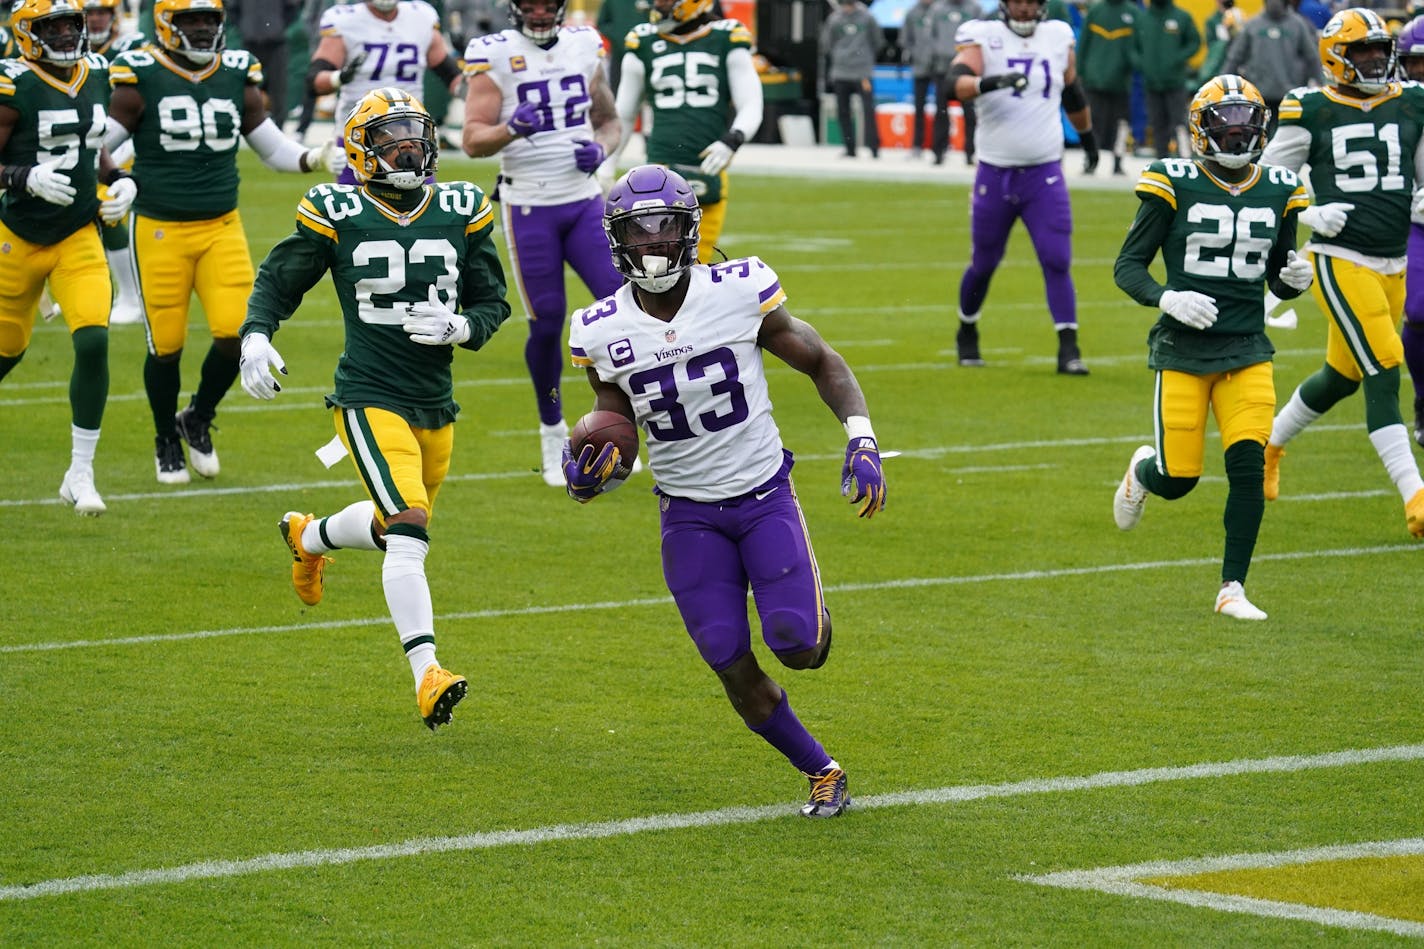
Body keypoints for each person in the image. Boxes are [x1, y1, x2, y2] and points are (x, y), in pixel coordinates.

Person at [563, 164, 886, 818]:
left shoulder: (740, 289)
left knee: (798, 643)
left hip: (763, 494)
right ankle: (822, 769)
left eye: (666, 230)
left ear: (690, 231)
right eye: (639, 233)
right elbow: (613, 424)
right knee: (728, 660)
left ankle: (806, 612)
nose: (654, 244)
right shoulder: (598, 329)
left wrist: (861, 436)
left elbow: (822, 359)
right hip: (687, 515)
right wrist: (592, 472)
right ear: (618, 240)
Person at [239, 87, 511, 730]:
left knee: (396, 526)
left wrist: (461, 328)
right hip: (367, 395)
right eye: (391, 141)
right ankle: (427, 673)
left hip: (435, 401)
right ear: (363, 154)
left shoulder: (462, 206)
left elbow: (492, 303)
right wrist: (255, 334)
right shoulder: (337, 208)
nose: (409, 150)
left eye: (415, 137)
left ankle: (306, 536)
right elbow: (281, 279)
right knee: (411, 525)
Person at [106, 0, 346, 485]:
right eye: (190, 20)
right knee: (166, 345)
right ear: (167, 25)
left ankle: (196, 415)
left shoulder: (236, 72)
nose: (200, 28)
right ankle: (164, 436)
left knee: (236, 334)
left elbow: (273, 149)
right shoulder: (140, 73)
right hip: (159, 228)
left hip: (221, 226)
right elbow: (95, 145)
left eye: (208, 20)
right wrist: (116, 181)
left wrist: (314, 157)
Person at [1113, 75, 1313, 621]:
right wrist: (1166, 297)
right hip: (1182, 348)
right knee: (1179, 480)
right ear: (1201, 131)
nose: (1235, 136)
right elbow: (1127, 267)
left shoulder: (1280, 187)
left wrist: (1294, 281)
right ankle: (1142, 474)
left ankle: (1232, 587)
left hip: (1248, 347)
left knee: (1247, 464)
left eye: (1245, 125)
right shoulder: (1171, 179)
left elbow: (1278, 274)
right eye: (1223, 126)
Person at [1259, 7, 1424, 538]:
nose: (1376, 59)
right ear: (1336, 56)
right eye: (1363, 51)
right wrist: (1306, 211)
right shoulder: (1309, 107)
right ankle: (1416, 497)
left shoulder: (1413, 102)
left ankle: (1270, 445)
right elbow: (1269, 185)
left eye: (1381, 49)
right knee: (1383, 367)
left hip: (1395, 259)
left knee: (1342, 377)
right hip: (1339, 257)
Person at [462, 0, 625, 487]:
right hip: (528, 204)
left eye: (546, 4)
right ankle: (552, 430)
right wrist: (511, 129)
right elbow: (471, 139)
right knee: (548, 318)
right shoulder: (493, 54)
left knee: (624, 305)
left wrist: (600, 149)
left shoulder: (583, 44)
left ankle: (621, 424)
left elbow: (611, 121)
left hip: (583, 201)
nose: (538, 13)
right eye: (529, 4)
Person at [0, 0, 137, 516]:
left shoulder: (97, 71)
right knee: (6, 351)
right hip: (17, 238)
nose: (63, 34)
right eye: (50, 26)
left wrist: (119, 178)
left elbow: (90, 146)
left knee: (95, 338)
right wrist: (20, 176)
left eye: (69, 24)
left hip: (79, 233)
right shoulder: (12, 82)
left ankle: (81, 471)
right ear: (26, 34)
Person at [947, 0, 1099, 375]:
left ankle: (1069, 347)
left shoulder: (1058, 35)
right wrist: (988, 83)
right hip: (995, 172)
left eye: (1031, 1)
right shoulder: (983, 35)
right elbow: (954, 84)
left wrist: (1089, 138)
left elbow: (1072, 91)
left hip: (1043, 172)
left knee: (1056, 258)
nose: (1025, 8)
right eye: (1017, 0)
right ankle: (967, 328)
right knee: (984, 262)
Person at [613, 0, 762, 264]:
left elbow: (751, 102)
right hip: (657, 170)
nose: (659, 4)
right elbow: (623, 115)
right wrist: (606, 166)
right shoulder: (642, 40)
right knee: (649, 264)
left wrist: (732, 139)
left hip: (705, 170)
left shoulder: (727, 36)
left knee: (696, 267)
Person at [307, 0, 465, 183]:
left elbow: (450, 75)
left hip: (410, 130)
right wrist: (339, 77)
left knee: (421, 207)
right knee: (355, 207)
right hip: (361, 133)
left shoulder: (420, 15)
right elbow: (315, 81)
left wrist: (475, 89)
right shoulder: (346, 20)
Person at [84, 0, 146, 326]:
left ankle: (131, 296)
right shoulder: (67, 44)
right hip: (85, 137)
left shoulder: (129, 46)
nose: (95, 19)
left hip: (122, 137)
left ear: (113, 15)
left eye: (102, 12)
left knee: (108, 206)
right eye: (90, 13)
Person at [1220, 0, 1317, 138]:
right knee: (1257, 139)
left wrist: (1321, 83)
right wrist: (1222, 83)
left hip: (1289, 98)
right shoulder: (1253, 25)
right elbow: (1235, 57)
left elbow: (1312, 57)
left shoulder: (1298, 25)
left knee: (1286, 140)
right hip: (1259, 97)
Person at [1395, 15, 1424, 446]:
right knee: (1417, 311)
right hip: (1418, 221)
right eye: (1415, 64)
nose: (1420, 72)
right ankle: (1423, 398)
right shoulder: (1397, 103)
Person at [901, 0, 972, 166]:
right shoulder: (937, 9)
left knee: (970, 112)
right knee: (941, 111)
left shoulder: (973, 8)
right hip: (942, 68)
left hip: (967, 68)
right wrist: (932, 58)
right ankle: (938, 152)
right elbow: (929, 36)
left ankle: (971, 152)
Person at [1077, 0, 1138, 176]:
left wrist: (1134, 64)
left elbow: (1137, 47)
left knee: (1120, 124)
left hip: (1121, 82)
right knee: (1091, 123)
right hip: (1094, 80)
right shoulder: (1095, 10)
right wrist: (1080, 72)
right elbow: (1084, 44)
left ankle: (1118, 163)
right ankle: (1090, 160)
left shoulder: (1132, 13)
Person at [1134, 0, 1200, 160]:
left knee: (1179, 123)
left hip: (1175, 82)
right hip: (1152, 83)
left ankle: (1185, 158)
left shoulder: (1181, 17)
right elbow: (1132, 47)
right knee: (1158, 125)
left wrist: (1178, 58)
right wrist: (1142, 64)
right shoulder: (1142, 18)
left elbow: (1195, 42)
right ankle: (1161, 160)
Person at [819, 0, 882, 160]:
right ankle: (850, 148)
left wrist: (864, 59)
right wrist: (840, 57)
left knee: (868, 110)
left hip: (862, 73)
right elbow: (827, 44)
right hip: (841, 72)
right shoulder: (835, 19)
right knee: (843, 111)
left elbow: (877, 42)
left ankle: (873, 148)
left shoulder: (867, 17)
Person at [594, 0, 649, 95]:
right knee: (617, 94)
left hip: (646, 54)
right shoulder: (611, 2)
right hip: (619, 54)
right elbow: (601, 23)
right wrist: (617, 36)